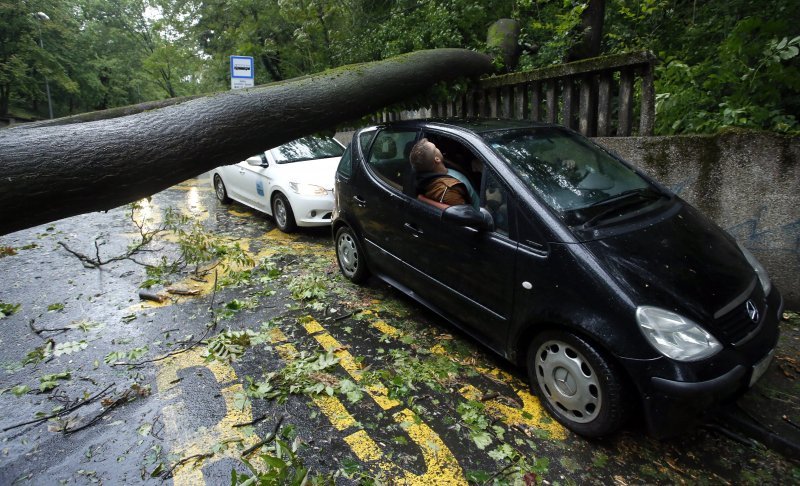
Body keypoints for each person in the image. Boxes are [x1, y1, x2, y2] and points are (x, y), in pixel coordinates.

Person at [409, 138, 478, 208]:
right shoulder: (448, 191)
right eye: (435, 148)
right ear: (437, 159)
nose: (438, 148)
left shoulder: (446, 165)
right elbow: (466, 214)